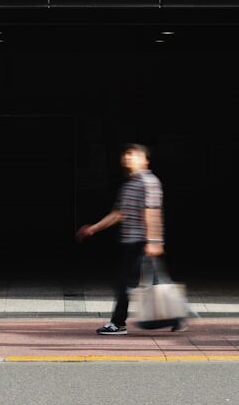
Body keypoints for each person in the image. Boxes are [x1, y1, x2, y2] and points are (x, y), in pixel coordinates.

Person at [76, 143, 184, 335]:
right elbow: (118, 214)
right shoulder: (130, 184)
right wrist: (93, 228)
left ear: (145, 160)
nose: (127, 157)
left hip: (141, 241)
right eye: (126, 154)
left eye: (133, 154)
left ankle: (118, 323)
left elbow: (151, 212)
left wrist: (154, 241)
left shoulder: (148, 182)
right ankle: (176, 317)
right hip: (132, 241)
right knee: (156, 282)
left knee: (125, 283)